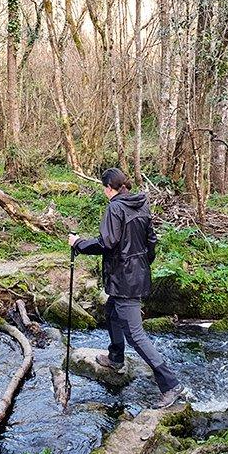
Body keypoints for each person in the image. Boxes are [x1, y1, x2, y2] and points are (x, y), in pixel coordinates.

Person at [68, 167, 184, 409]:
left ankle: (171, 384)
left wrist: (78, 243)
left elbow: (107, 243)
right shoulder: (141, 204)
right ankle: (116, 358)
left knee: (136, 335)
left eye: (104, 187)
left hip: (124, 279)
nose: (104, 191)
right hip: (135, 275)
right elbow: (151, 241)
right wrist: (141, 264)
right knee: (111, 313)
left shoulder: (115, 207)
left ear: (109, 187)